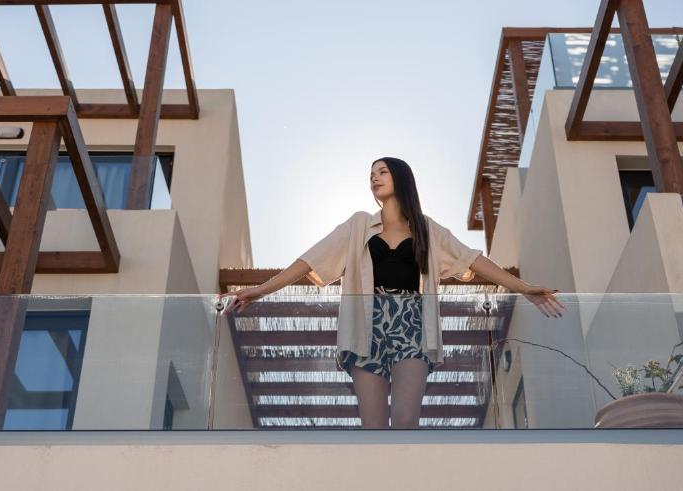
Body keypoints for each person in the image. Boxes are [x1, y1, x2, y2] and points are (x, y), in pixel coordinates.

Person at [218, 156, 566, 429]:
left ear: (400, 177)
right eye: (371, 173)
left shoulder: (427, 229)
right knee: (372, 430)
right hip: (365, 328)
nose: (374, 177)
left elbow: (472, 259)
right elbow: (310, 260)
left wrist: (523, 289)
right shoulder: (358, 225)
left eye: (382, 171)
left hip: (411, 325)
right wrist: (260, 291)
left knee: (404, 423)